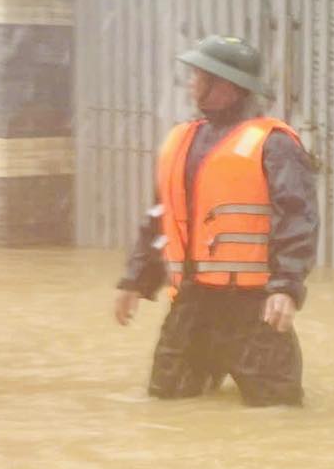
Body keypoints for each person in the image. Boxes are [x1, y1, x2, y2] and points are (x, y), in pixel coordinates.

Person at [113, 34, 316, 408]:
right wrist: (136, 280)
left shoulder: (275, 144)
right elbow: (161, 219)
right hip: (193, 303)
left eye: (198, 75)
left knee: (277, 413)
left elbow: (297, 218)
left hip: (255, 310)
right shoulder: (181, 140)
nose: (190, 83)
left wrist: (286, 287)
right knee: (166, 403)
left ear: (225, 84)